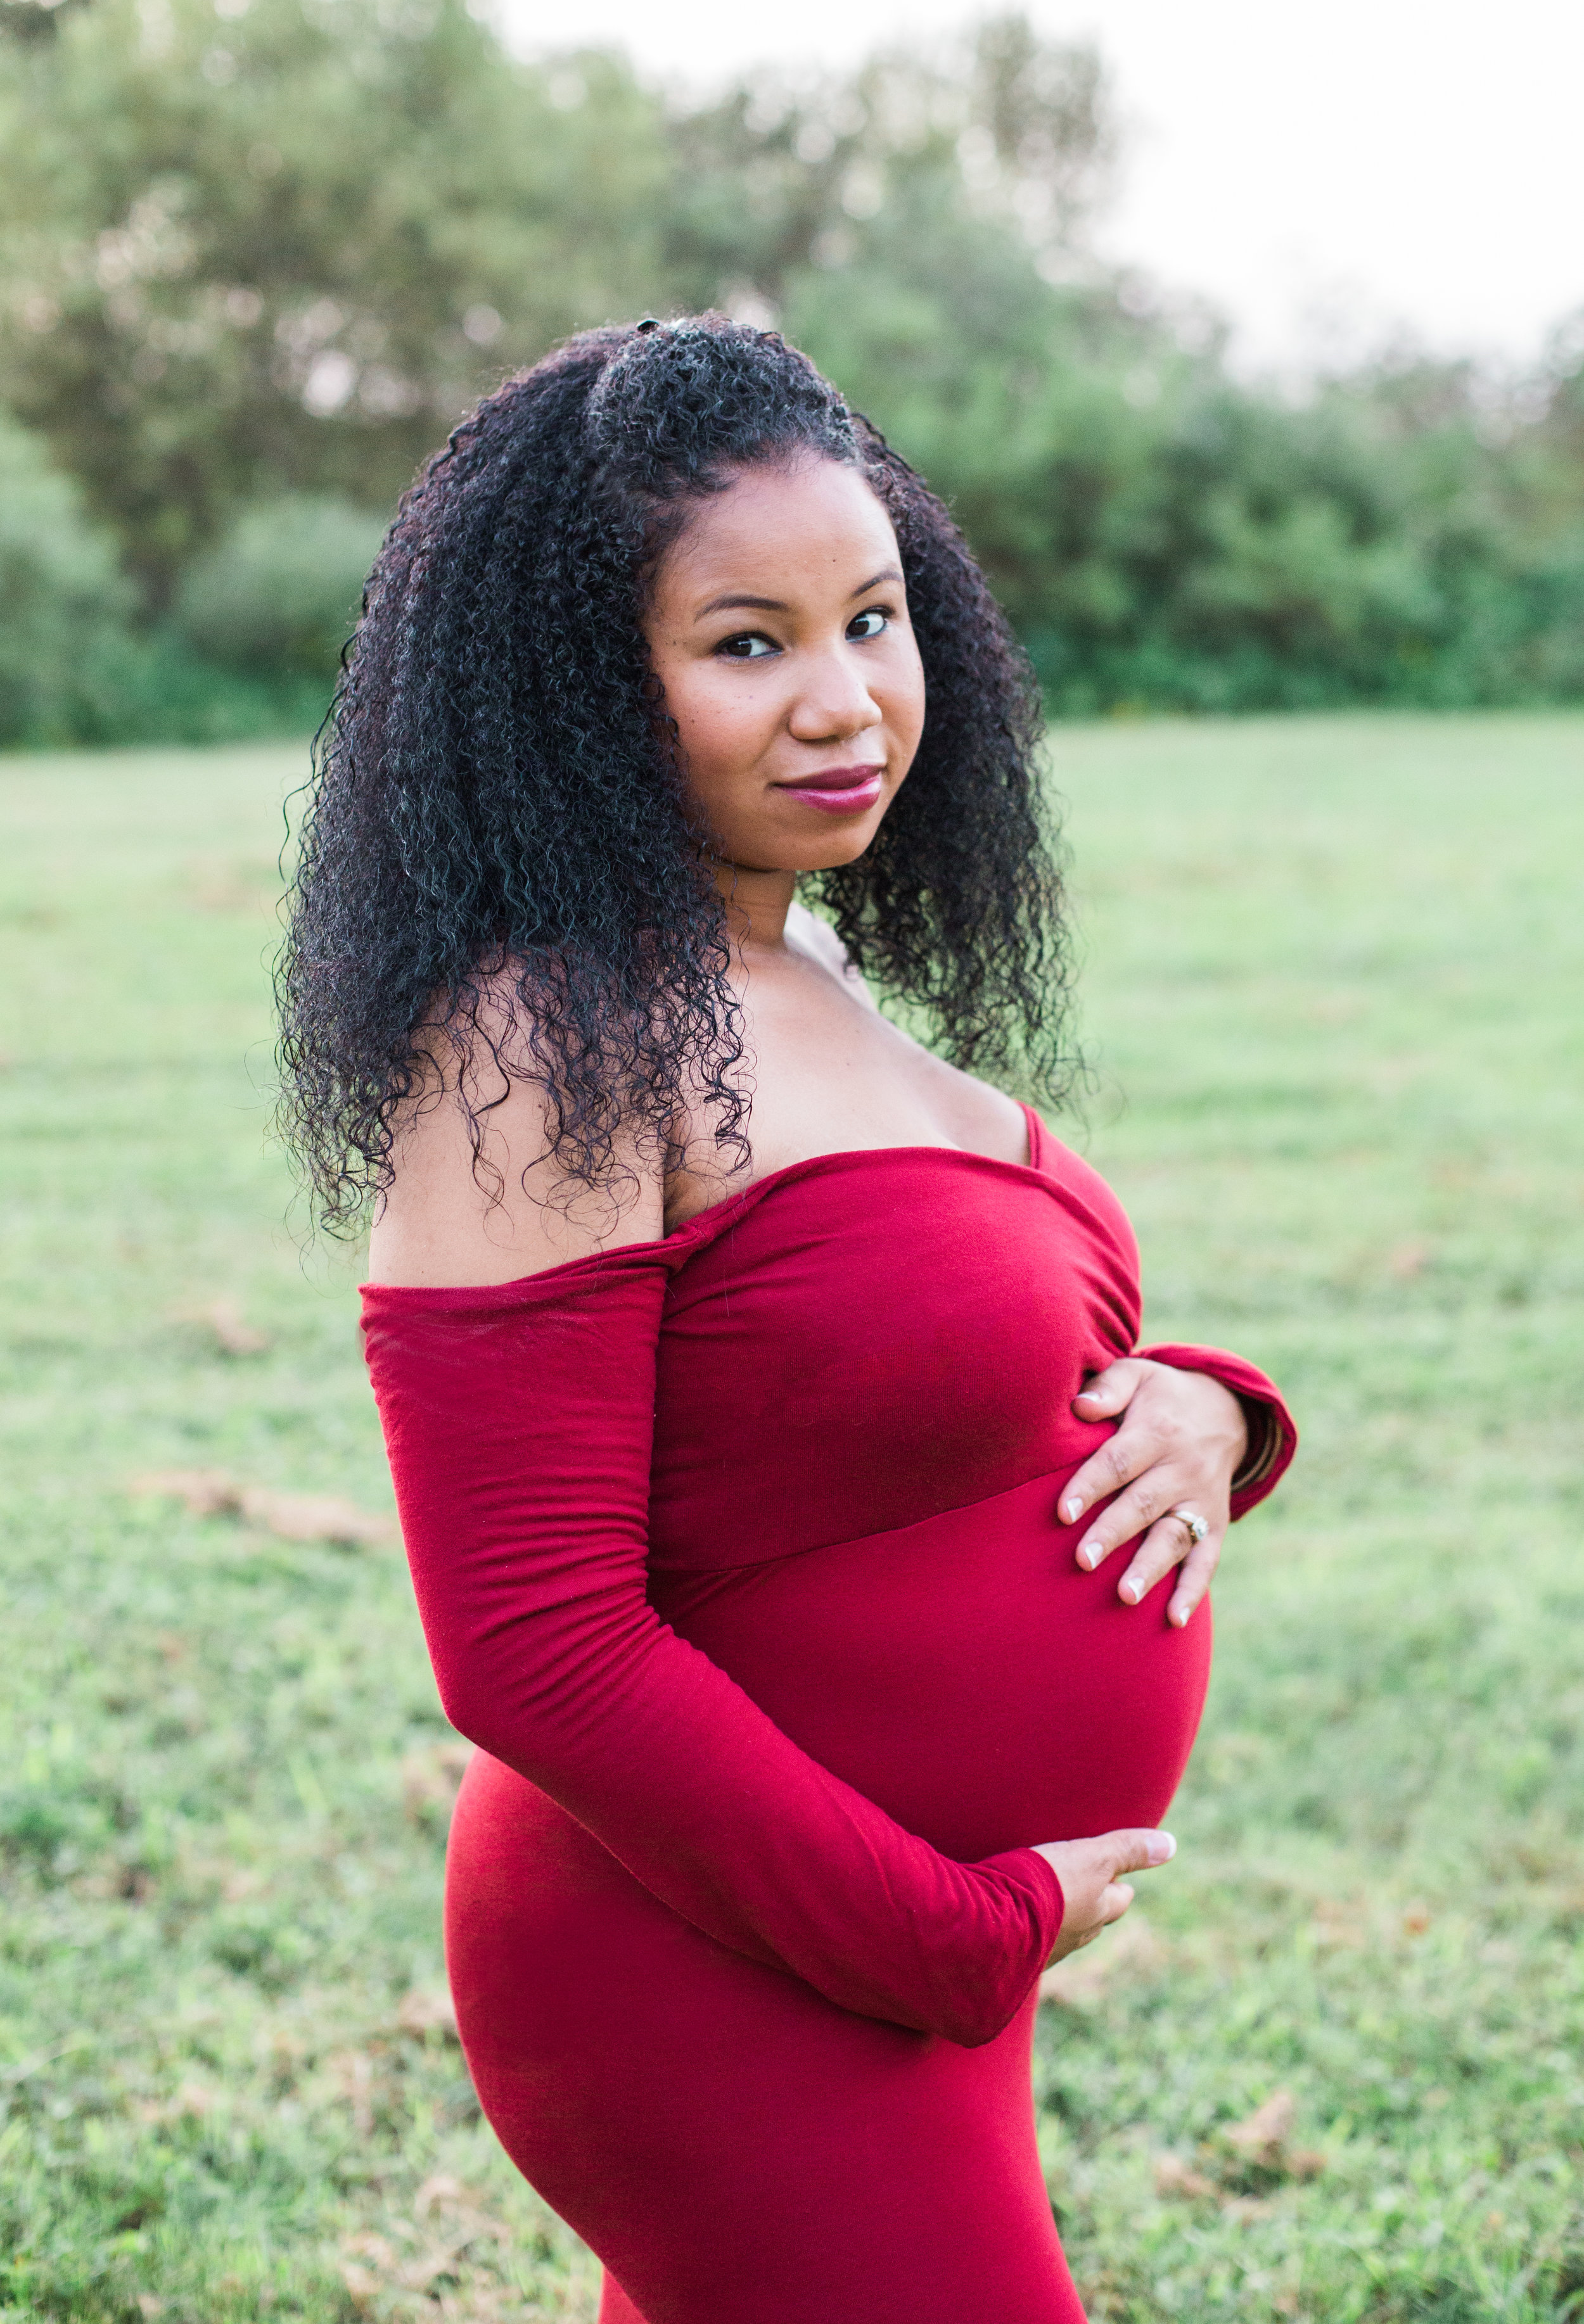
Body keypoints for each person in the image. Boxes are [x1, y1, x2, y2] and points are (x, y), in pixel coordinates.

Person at [278, 315, 1296, 2323]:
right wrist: (943, 1930)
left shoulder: (797, 958)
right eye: (746, 642)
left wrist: (1211, 1412)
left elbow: (941, 1376)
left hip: (903, 1948)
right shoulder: (545, 1030)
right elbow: (531, 1646)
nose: (845, 704)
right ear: (580, 690)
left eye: (873, 620)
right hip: (722, 1964)